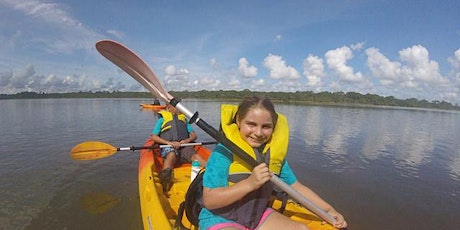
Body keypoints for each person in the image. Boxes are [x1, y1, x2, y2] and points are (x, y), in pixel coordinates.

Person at [199, 96, 347, 229]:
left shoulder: (273, 156)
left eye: (266, 127)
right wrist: (250, 184)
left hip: (256, 216)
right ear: (238, 121)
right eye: (251, 124)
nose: (258, 133)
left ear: (274, 126)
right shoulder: (223, 152)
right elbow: (210, 200)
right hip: (220, 217)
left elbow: (296, 187)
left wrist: (328, 210)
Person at [151, 103, 206, 192]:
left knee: (195, 157)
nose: (180, 109)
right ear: (169, 108)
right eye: (177, 107)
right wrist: (169, 142)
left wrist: (186, 141)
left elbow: (193, 135)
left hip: (184, 146)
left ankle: (212, 171)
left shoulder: (184, 120)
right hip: (169, 146)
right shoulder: (162, 120)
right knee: (171, 155)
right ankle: (166, 180)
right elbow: (154, 137)